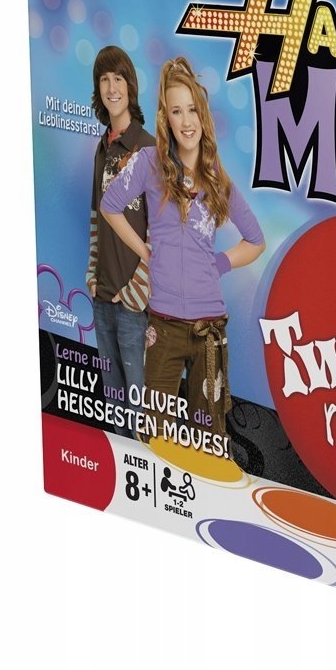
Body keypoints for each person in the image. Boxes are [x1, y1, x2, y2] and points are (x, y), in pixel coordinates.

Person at [101, 57, 265, 442]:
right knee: (154, 436)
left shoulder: (218, 180)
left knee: (209, 442)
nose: (186, 121)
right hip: (163, 326)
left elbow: (256, 241)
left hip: (210, 332)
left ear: (203, 116)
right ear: (167, 119)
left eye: (192, 110)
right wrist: (144, 251)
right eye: (177, 111)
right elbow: (110, 205)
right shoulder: (149, 163)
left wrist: (219, 263)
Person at [87, 46, 156, 437]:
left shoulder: (149, 149)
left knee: (140, 412)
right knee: (114, 411)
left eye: (118, 79)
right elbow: (95, 219)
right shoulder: (102, 148)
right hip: (101, 300)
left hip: (133, 307)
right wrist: (92, 275)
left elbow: (161, 233)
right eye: (104, 79)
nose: (112, 88)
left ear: (130, 86)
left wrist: (135, 293)